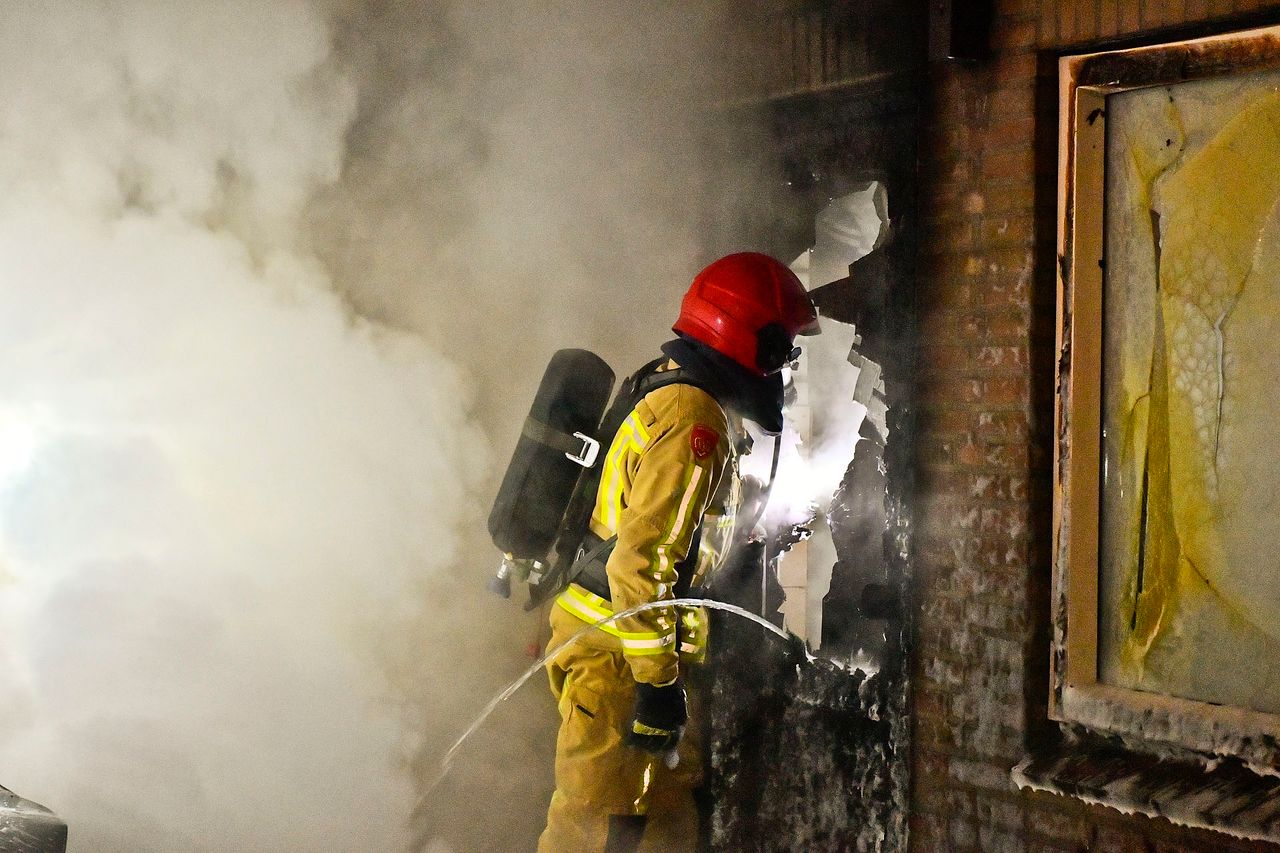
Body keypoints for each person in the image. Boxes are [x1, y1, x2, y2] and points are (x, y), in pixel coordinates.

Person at [537, 252, 820, 853]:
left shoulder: (667, 383)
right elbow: (639, 563)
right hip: (621, 664)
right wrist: (657, 685)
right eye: (783, 348)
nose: (786, 366)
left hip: (614, 650)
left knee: (662, 829)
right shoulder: (698, 422)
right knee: (603, 832)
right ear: (749, 340)